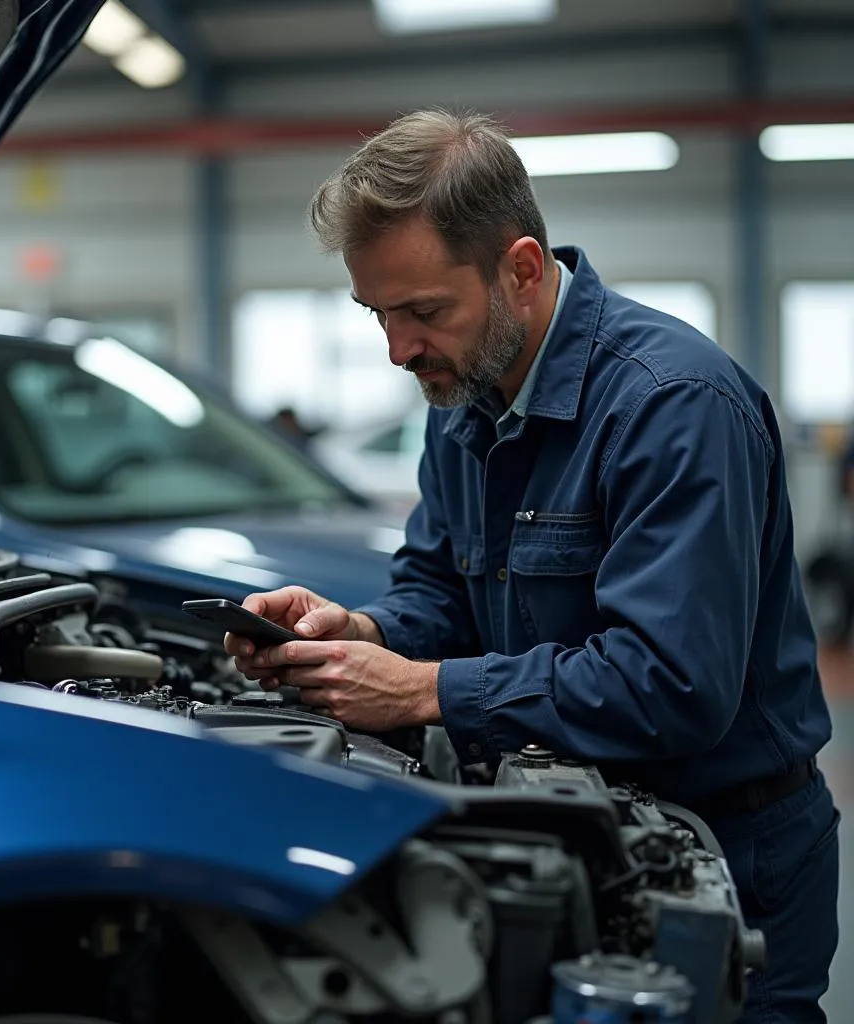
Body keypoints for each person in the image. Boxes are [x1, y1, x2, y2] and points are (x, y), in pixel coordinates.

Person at [223, 110, 839, 1023]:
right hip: (563, 831)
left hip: (723, 853)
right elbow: (439, 589)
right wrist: (359, 632)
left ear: (519, 269)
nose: (398, 350)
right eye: (377, 314)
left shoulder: (673, 406)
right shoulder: (464, 395)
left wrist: (425, 690)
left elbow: (670, 685)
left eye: (424, 311)